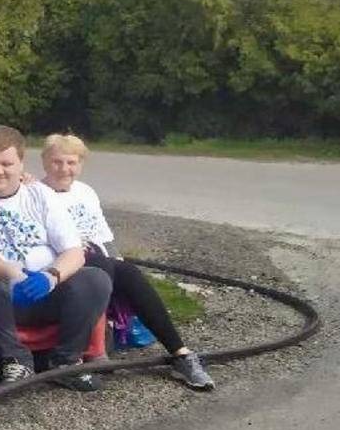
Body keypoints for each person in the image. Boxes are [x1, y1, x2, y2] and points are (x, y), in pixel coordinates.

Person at [40, 133, 215, 391]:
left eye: (71, 162)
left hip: (98, 258)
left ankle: (181, 353)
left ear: (81, 164)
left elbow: (103, 235)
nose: (64, 169)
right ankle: (96, 348)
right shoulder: (36, 193)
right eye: (57, 162)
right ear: (45, 162)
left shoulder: (86, 192)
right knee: (107, 268)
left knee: (127, 272)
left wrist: (117, 262)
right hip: (63, 263)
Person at [0, 126, 113, 390]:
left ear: (21, 163)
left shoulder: (40, 194)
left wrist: (50, 277)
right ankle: (16, 360)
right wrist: (14, 273)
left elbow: (74, 251)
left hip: (49, 291)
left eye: (7, 164)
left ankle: (65, 362)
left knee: (96, 279)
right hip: (3, 297)